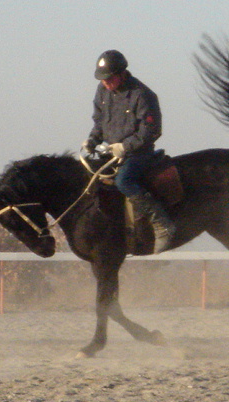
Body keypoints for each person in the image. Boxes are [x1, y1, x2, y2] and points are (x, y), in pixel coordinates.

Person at [83, 49, 175, 254]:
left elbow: (151, 130)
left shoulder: (142, 95)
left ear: (122, 73)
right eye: (103, 79)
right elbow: (99, 121)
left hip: (138, 153)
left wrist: (125, 146)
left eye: (109, 79)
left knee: (124, 181)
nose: (106, 83)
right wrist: (92, 139)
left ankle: (162, 224)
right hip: (111, 152)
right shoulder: (102, 91)